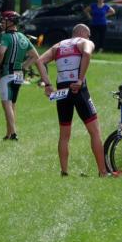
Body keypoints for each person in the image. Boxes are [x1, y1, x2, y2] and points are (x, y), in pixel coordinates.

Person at [35, 23, 109, 177]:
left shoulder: (58, 46)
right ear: (83, 33)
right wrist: (80, 79)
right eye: (89, 35)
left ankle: (64, 171)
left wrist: (47, 84)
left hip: (62, 90)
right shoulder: (84, 42)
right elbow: (87, 54)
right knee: (95, 132)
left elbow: (39, 61)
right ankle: (103, 172)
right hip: (78, 89)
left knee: (64, 134)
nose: (90, 37)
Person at [0, 11, 39, 141]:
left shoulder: (6, 36)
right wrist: (24, 66)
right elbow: (35, 56)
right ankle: (8, 133)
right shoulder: (23, 37)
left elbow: (1, 52)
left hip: (7, 73)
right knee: (12, 104)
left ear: (11, 22)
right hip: (19, 74)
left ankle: (13, 133)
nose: (2, 23)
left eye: (4, 20)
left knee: (6, 104)